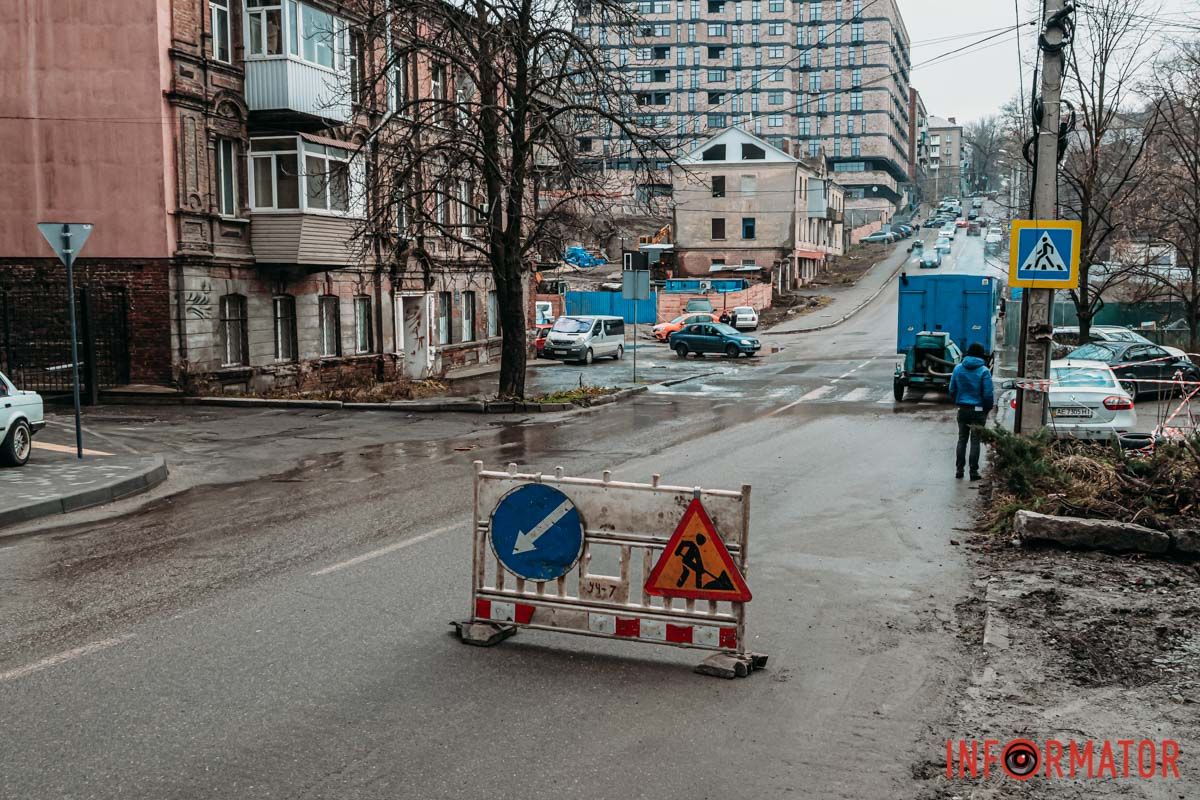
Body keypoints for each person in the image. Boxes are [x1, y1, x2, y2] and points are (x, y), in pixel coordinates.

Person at [949, 343, 994, 481]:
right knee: (975, 441)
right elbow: (987, 394)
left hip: (962, 409)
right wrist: (987, 408)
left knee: (962, 439)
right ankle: (973, 472)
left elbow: (952, 389)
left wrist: (958, 401)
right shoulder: (984, 371)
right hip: (978, 411)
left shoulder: (958, 369)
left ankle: (959, 470)